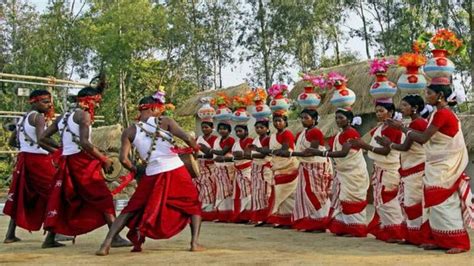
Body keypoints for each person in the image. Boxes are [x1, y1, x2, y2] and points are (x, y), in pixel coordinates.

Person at [96, 95, 203, 255]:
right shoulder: (165, 121)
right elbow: (187, 137)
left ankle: (106, 244)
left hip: (151, 173)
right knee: (192, 204)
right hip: (175, 169)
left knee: (131, 208)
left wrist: (136, 170)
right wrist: (195, 149)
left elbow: (123, 159)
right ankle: (194, 243)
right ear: (153, 108)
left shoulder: (130, 131)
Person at [386, 82, 473, 254]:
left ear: (440, 95)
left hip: (444, 166)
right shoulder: (437, 114)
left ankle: (458, 242)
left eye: (429, 93)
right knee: (432, 203)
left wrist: (401, 127)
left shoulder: (443, 114)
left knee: (444, 202)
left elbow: (424, 138)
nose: (427, 96)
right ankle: (437, 239)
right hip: (435, 165)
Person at [40, 80, 129, 247]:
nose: (97, 105)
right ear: (89, 100)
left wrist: (61, 149)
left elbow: (42, 138)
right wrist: (104, 159)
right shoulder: (84, 115)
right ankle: (115, 237)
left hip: (67, 161)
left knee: (64, 198)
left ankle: (50, 239)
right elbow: (85, 143)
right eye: (96, 101)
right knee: (103, 197)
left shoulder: (63, 116)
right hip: (81, 162)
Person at [3, 90, 63, 248]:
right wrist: (58, 153)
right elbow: (42, 140)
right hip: (39, 161)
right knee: (56, 193)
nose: (49, 104)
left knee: (20, 196)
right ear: (34, 102)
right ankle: (52, 235)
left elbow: (11, 141)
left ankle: (10, 235)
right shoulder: (38, 117)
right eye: (45, 101)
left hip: (25, 159)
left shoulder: (23, 117)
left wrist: (26, 146)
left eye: (49, 101)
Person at [307, 109, 369, 237]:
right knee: (342, 198)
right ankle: (344, 227)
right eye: (337, 118)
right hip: (342, 172)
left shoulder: (351, 133)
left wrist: (321, 153)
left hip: (353, 172)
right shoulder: (339, 134)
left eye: (341, 118)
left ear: (349, 120)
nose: (338, 120)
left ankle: (356, 229)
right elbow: (334, 149)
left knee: (350, 198)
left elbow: (344, 153)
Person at [376, 95, 429, 245]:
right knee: (409, 203)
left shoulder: (418, 123)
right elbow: (405, 147)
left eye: (405, 105)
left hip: (417, 168)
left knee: (414, 203)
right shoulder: (412, 123)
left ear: (415, 108)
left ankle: (419, 237)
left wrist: (389, 143)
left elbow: (405, 147)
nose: (402, 108)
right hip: (410, 167)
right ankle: (412, 235)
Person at [350, 101, 404, 243]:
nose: (378, 114)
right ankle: (388, 230)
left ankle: (397, 232)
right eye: (377, 111)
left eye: (381, 110)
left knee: (388, 200)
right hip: (380, 168)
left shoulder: (392, 129)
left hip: (389, 169)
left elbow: (386, 151)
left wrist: (364, 146)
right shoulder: (380, 128)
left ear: (391, 112)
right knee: (382, 201)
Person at [280, 109, 333, 232]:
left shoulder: (316, 132)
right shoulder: (301, 134)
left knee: (317, 193)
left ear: (314, 120)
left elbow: (310, 151)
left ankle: (321, 222)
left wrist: (290, 154)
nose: (303, 120)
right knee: (306, 194)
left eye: (306, 118)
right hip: (305, 166)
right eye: (302, 118)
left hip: (316, 165)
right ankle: (310, 221)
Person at [254, 112, 299, 227]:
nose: (277, 123)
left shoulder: (287, 134)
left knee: (289, 194)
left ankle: (290, 219)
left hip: (289, 167)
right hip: (277, 168)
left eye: (280, 121)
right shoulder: (273, 136)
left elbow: (284, 151)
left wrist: (268, 151)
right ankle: (282, 219)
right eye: (275, 121)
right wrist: (258, 149)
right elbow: (267, 150)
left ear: (285, 122)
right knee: (279, 193)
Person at [200, 122, 235, 222]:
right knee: (220, 191)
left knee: (227, 190)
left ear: (229, 130)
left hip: (227, 168)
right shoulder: (218, 140)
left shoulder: (230, 140)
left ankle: (228, 215)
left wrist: (208, 150)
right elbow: (216, 154)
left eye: (224, 129)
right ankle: (221, 214)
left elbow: (222, 152)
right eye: (220, 129)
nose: (222, 131)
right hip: (218, 167)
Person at [248, 120, 273, 225]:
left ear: (267, 129)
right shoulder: (256, 140)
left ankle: (267, 217)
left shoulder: (268, 139)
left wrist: (254, 152)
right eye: (257, 127)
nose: (259, 129)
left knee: (266, 192)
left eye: (261, 127)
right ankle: (258, 217)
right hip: (255, 168)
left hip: (264, 168)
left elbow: (264, 153)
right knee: (257, 193)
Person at [195, 121, 218, 221]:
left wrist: (203, 153)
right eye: (203, 127)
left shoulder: (215, 139)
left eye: (206, 127)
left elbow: (213, 153)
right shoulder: (198, 139)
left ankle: (208, 211)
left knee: (209, 187)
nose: (204, 129)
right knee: (199, 188)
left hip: (211, 166)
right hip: (200, 167)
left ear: (212, 128)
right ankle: (200, 210)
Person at [231, 124, 253, 222]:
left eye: (240, 131)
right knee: (239, 194)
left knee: (248, 193)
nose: (238, 133)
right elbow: (236, 155)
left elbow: (247, 155)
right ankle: (240, 215)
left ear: (246, 132)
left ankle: (248, 215)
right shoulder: (236, 143)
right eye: (237, 131)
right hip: (238, 170)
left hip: (247, 169)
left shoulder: (250, 141)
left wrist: (240, 155)